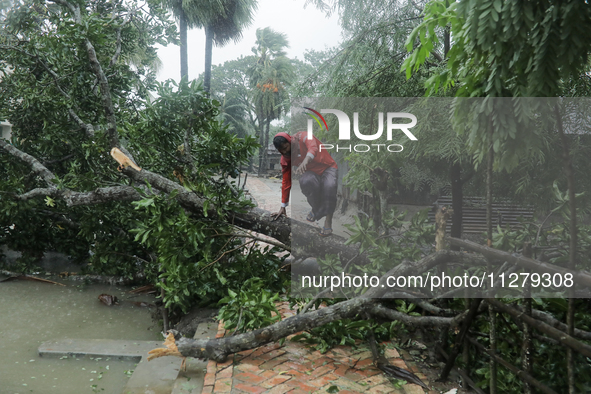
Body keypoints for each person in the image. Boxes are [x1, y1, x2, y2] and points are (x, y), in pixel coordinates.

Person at [271, 131, 338, 236]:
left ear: (290, 141)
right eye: (281, 151)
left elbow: (313, 147)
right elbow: (286, 181)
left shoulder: (303, 136)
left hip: (327, 166)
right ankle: (316, 209)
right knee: (305, 181)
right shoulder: (286, 159)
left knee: (329, 186)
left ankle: (328, 221)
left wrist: (306, 160)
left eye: (285, 148)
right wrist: (283, 206)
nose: (284, 152)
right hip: (311, 172)